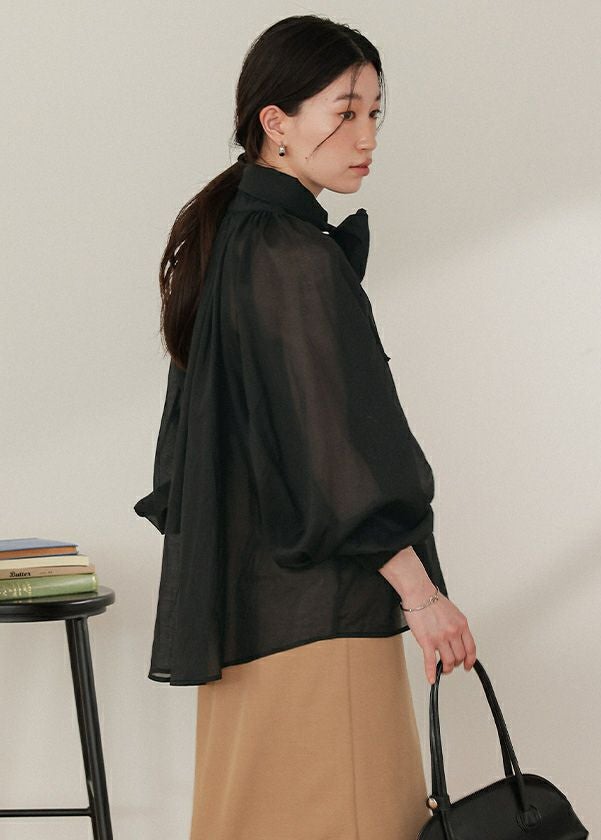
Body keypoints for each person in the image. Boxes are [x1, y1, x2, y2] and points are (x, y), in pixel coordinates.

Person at [134, 13, 477, 840]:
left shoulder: (230, 241)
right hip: (320, 618)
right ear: (275, 122)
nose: (367, 137)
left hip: (250, 616)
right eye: (345, 111)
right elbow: (331, 452)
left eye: (375, 113)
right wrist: (424, 596)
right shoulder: (291, 255)